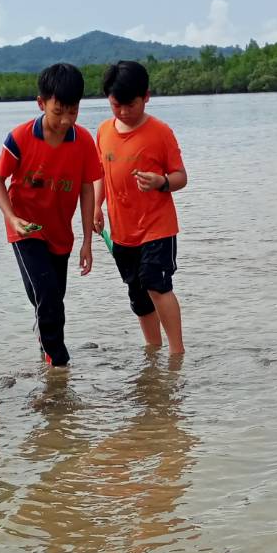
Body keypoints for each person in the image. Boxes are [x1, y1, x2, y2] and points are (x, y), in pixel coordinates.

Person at [0, 63, 102, 369]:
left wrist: (87, 242)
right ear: (41, 103)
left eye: (73, 111)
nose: (66, 120)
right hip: (26, 227)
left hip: (60, 233)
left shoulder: (83, 142)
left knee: (52, 298)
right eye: (58, 111)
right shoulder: (20, 138)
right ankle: (59, 364)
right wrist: (11, 218)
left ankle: (45, 347)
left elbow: (87, 189)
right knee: (47, 295)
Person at [93, 60, 187, 355]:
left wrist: (161, 181)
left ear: (146, 96)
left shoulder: (161, 132)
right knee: (137, 293)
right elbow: (100, 175)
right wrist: (96, 208)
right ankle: (153, 351)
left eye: (130, 105)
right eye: (116, 105)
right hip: (122, 230)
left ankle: (176, 353)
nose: (123, 112)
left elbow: (181, 177)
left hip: (157, 226)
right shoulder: (103, 131)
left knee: (156, 284)